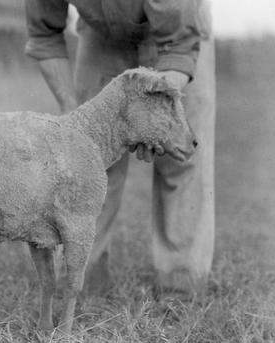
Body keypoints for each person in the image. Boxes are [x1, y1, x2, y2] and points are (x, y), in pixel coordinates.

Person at [24, 0, 215, 298]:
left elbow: (179, 45)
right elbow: (43, 35)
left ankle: (180, 285)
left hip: (177, 34)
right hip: (101, 35)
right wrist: (76, 113)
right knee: (89, 154)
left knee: (182, 155)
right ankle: (83, 280)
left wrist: (155, 122)